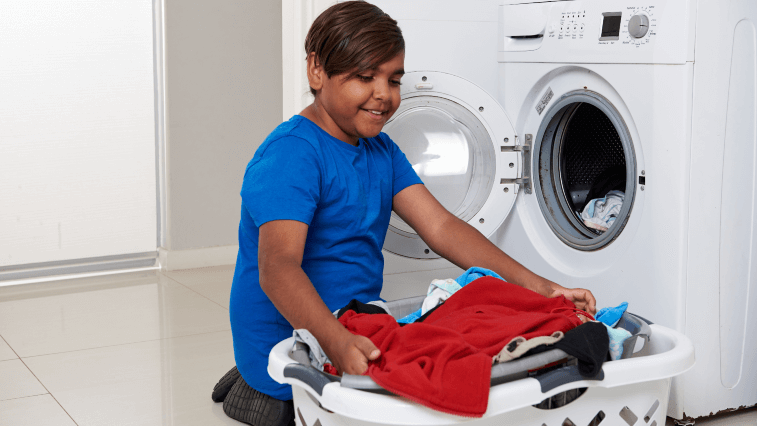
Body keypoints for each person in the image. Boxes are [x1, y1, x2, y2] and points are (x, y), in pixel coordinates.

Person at [212, 2, 597, 425]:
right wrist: (337, 342)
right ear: (316, 71)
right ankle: (250, 382)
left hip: (357, 322)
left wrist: (540, 288)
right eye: (364, 77)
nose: (384, 94)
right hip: (295, 339)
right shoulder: (291, 155)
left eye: (393, 79)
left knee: (460, 338)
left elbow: (442, 226)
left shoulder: (381, 151)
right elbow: (277, 269)